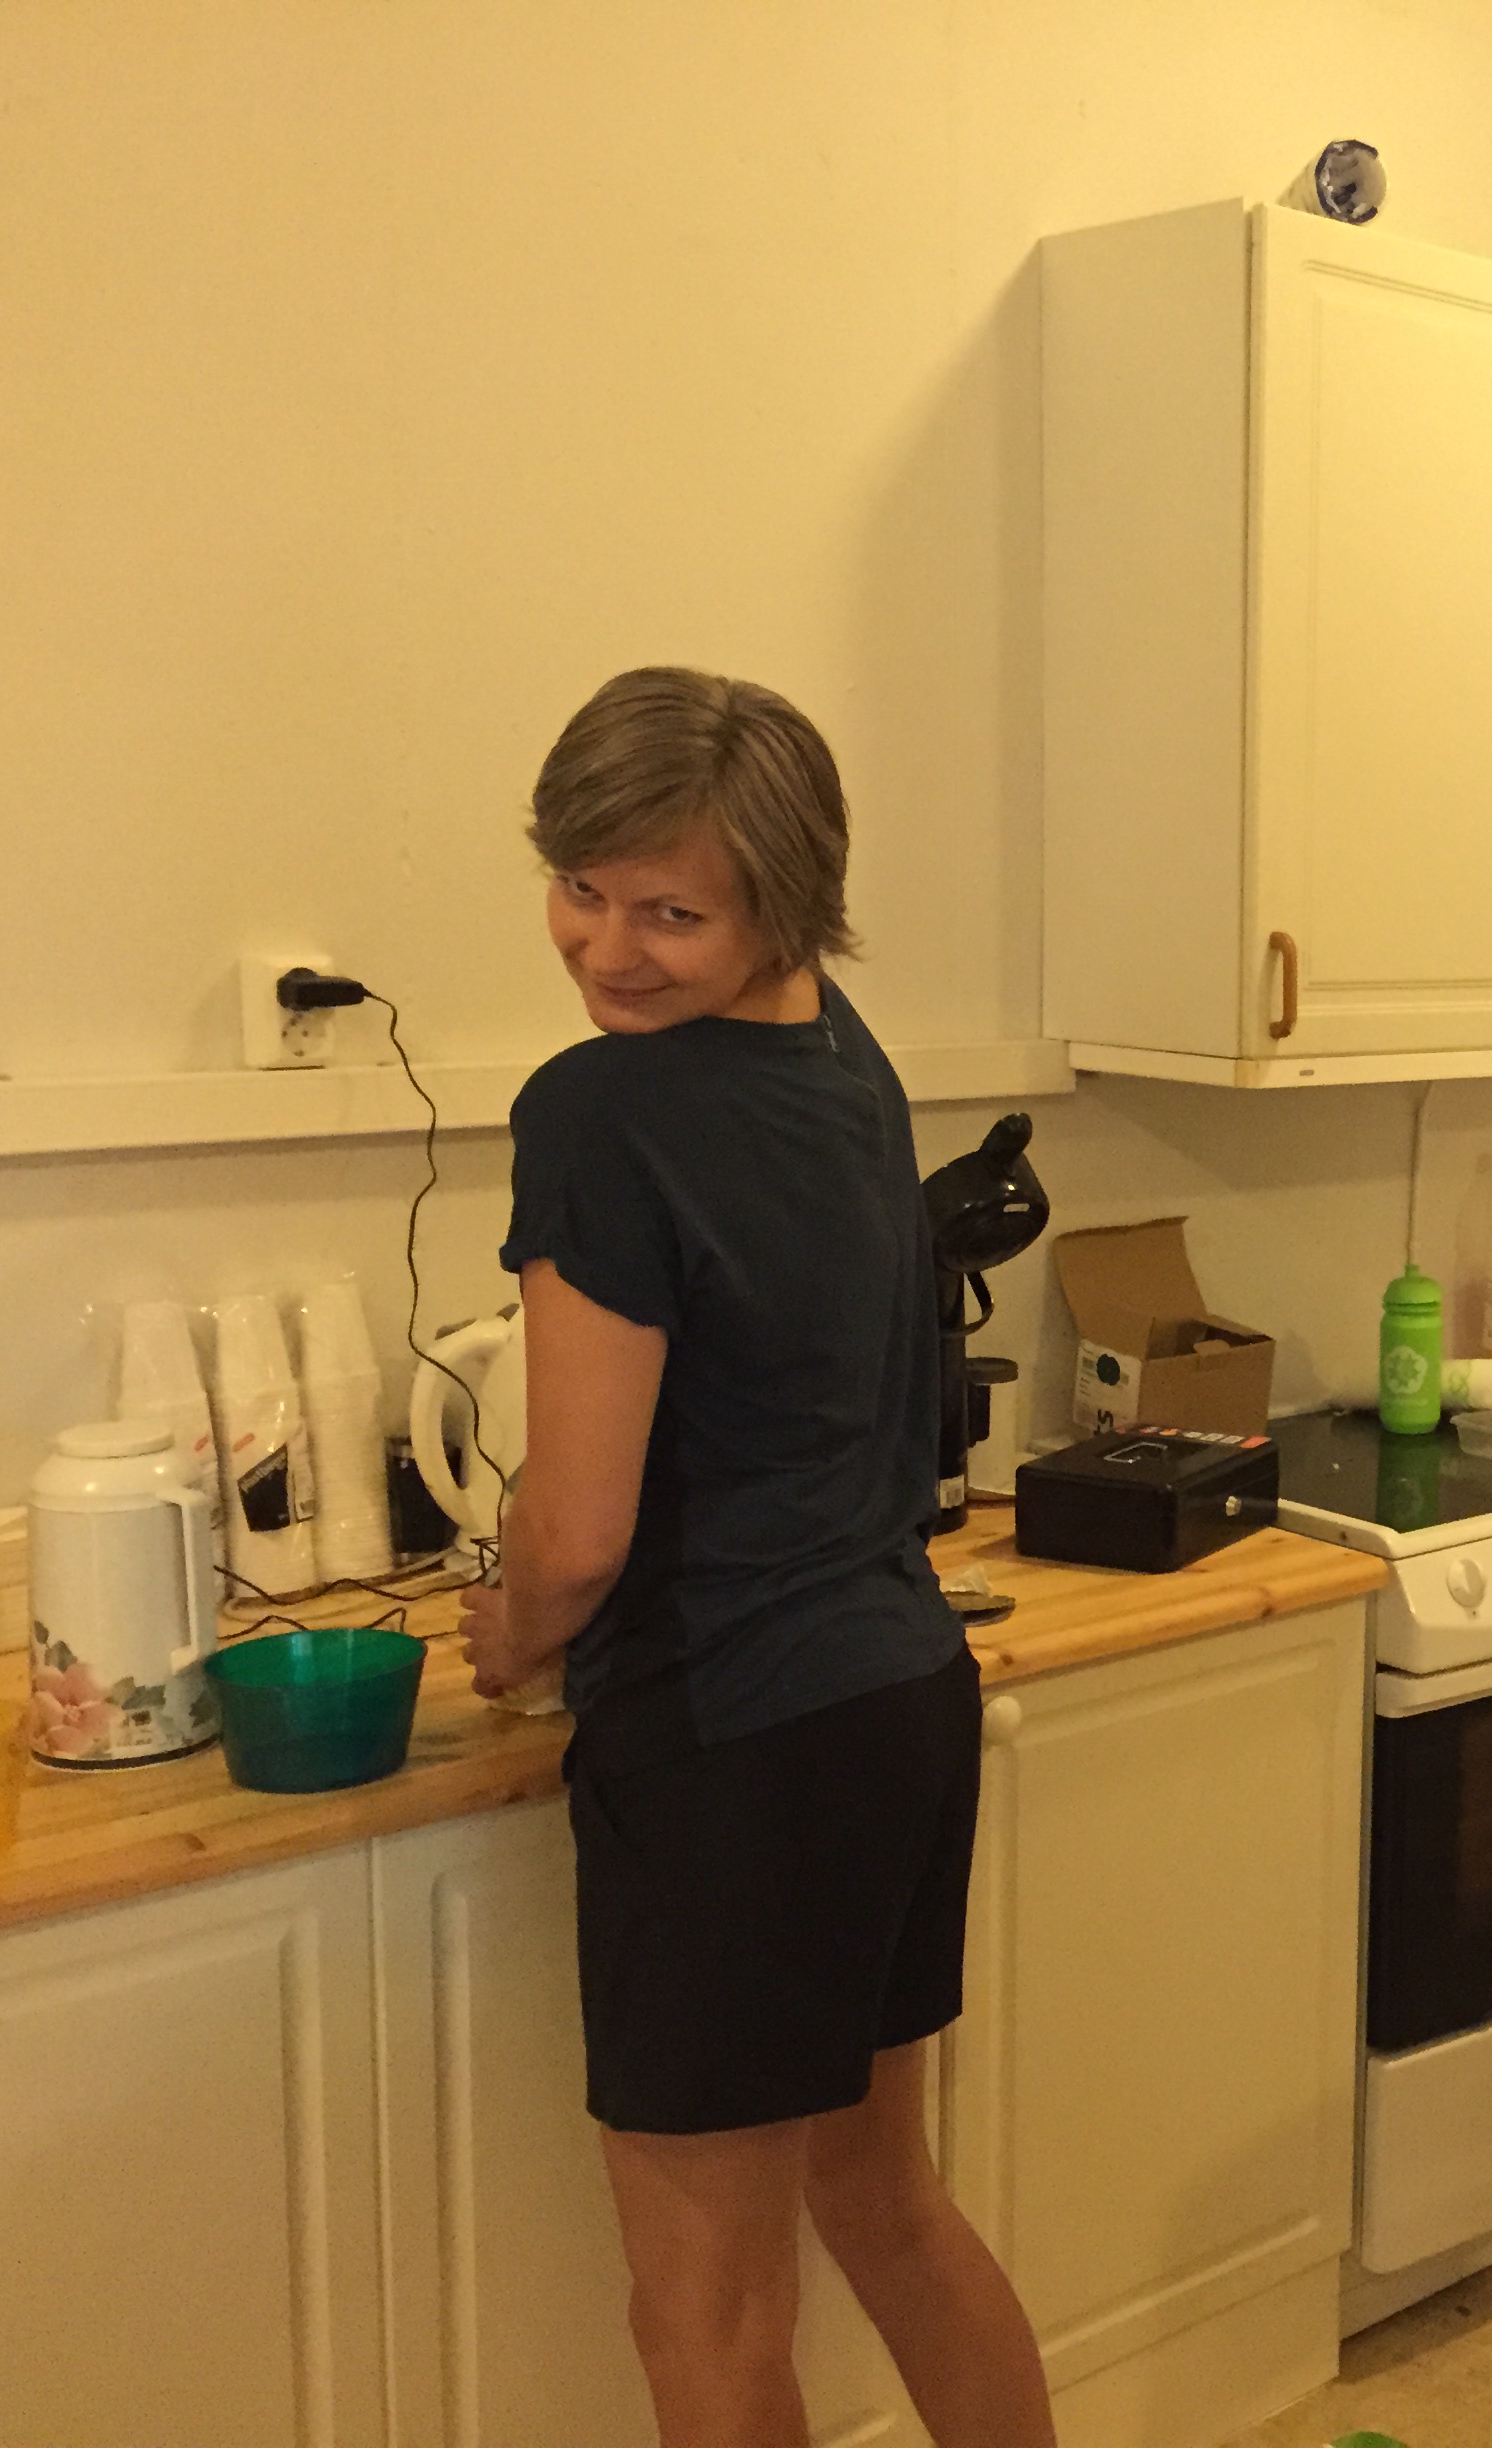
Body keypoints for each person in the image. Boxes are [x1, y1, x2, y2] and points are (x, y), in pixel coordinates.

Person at [458, 668, 1056, 2448]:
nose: (608, 949)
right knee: (888, 2203)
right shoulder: (841, 1052)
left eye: (671, 913)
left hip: (732, 1746)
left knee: (703, 2311)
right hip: (896, 1706)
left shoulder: (599, 1113)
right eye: (582, 888)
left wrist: (509, 1631)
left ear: (784, 908)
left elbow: (577, 1531)